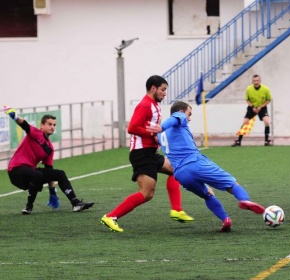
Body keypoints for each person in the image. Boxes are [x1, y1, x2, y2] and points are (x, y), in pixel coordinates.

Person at [149, 101, 266, 232]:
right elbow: (176, 118)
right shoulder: (178, 117)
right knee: (231, 184)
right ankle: (245, 200)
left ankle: (225, 219)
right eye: (189, 114)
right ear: (181, 112)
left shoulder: (161, 134)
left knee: (207, 195)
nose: (189, 118)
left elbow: (157, 141)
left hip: (180, 174)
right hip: (196, 163)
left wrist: (159, 130)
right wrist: (162, 126)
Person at [100, 75, 194, 233]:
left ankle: (176, 210)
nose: (165, 94)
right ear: (153, 88)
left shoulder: (154, 105)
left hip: (150, 152)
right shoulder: (145, 105)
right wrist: (152, 135)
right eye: (163, 90)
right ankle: (111, 216)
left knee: (175, 170)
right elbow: (132, 128)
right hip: (141, 153)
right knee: (147, 194)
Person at [4, 106, 95, 214]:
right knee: (37, 174)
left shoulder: (50, 148)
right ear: (42, 125)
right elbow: (24, 125)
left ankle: (75, 203)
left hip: (31, 174)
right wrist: (15, 116)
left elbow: (49, 170)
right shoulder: (36, 133)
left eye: (54, 125)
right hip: (16, 171)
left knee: (60, 174)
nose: (52, 127)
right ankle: (29, 206)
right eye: (49, 124)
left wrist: (52, 192)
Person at [232, 74, 272, 146]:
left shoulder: (265, 89)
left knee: (267, 121)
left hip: (262, 107)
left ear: (260, 81)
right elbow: (247, 100)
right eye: (254, 81)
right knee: (245, 122)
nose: (256, 82)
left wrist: (261, 106)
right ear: (252, 82)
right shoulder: (249, 89)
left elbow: (268, 100)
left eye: (257, 80)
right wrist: (253, 106)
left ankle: (267, 141)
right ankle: (238, 141)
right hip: (252, 107)